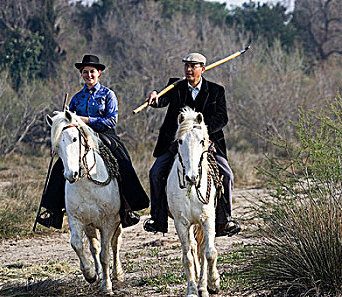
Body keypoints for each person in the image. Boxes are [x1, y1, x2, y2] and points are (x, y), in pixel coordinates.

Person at [37, 54, 149, 229]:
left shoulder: (108, 95)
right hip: (79, 137)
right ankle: (53, 212)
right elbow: (68, 123)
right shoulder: (76, 98)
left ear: (99, 74)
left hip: (104, 135)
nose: (88, 75)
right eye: (85, 72)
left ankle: (128, 208)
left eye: (92, 72)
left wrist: (84, 120)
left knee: (122, 161)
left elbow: (111, 121)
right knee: (59, 167)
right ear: (81, 74)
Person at [143, 52, 241, 237]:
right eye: (186, 66)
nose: (188, 69)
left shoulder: (216, 90)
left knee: (227, 174)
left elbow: (222, 118)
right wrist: (155, 97)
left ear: (202, 69)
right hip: (177, 142)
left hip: (207, 142)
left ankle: (225, 220)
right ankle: (157, 219)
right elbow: (161, 100)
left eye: (193, 66)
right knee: (155, 173)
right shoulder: (175, 86)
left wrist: (201, 130)